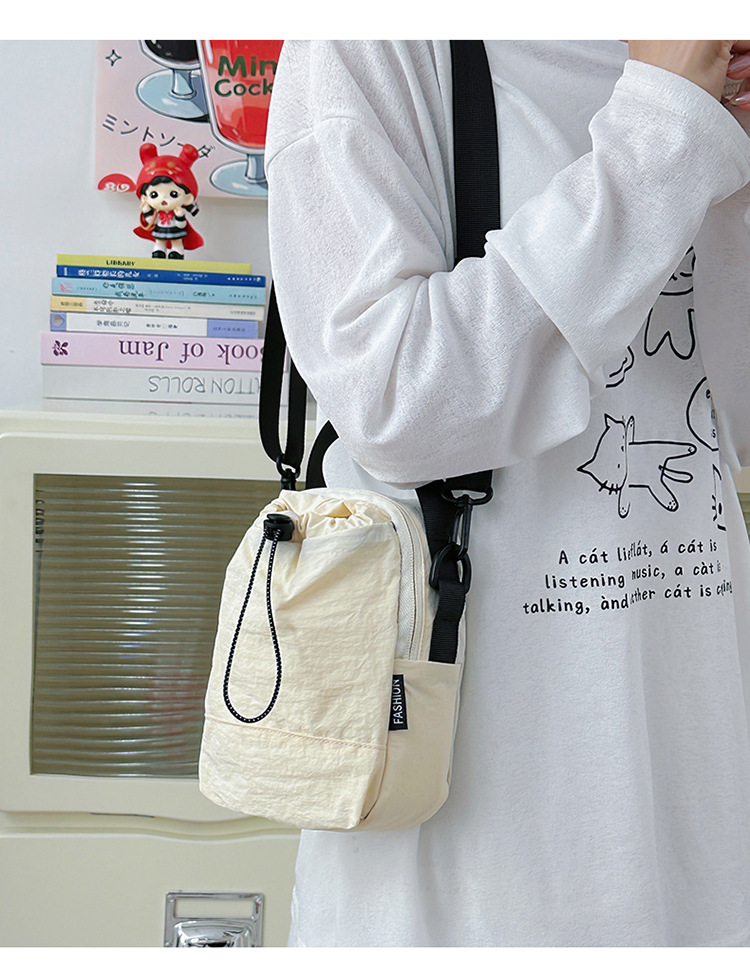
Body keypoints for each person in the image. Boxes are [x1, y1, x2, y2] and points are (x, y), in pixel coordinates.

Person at [265, 40, 750, 947]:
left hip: (705, 818)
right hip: (465, 877)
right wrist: (661, 133)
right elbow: (396, 402)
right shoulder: (370, 44)